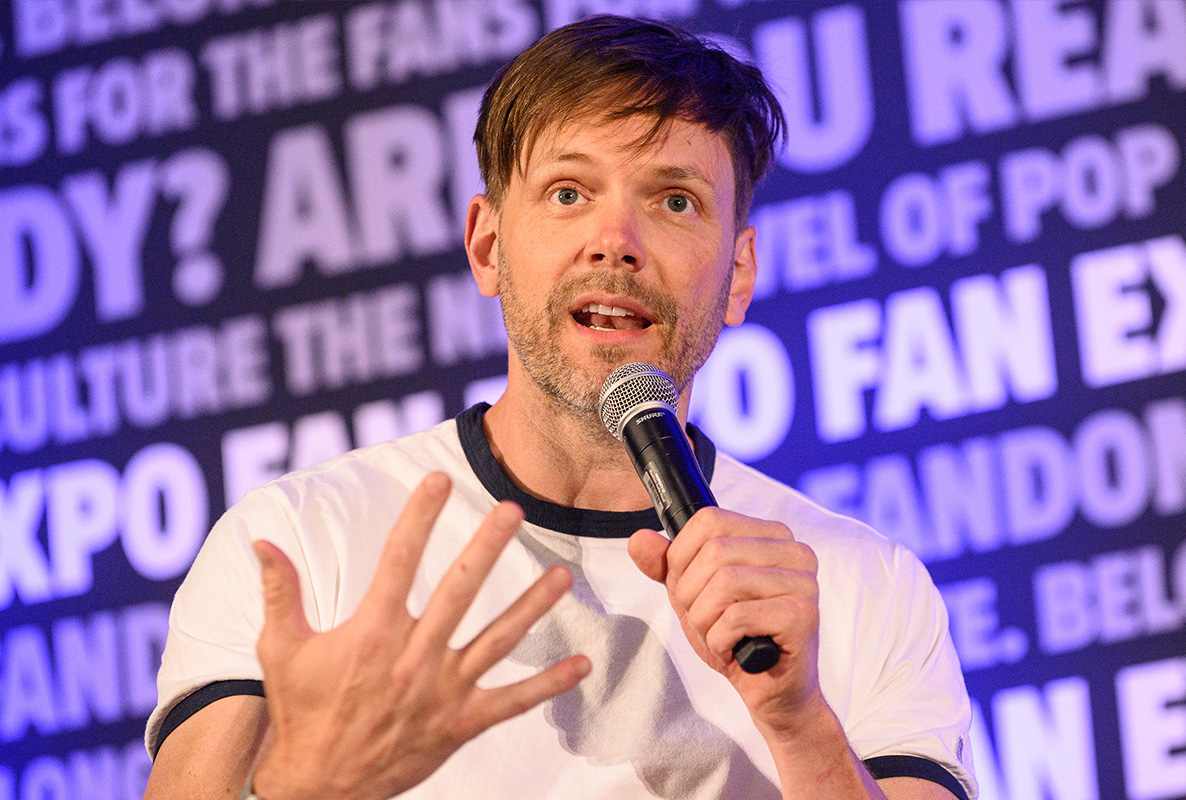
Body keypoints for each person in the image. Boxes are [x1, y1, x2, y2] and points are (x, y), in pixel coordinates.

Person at [144, 15, 977, 800]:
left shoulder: (863, 586)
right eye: (569, 193)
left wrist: (797, 724)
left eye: (674, 200)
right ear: (488, 245)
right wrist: (303, 785)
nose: (615, 240)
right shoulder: (300, 544)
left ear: (740, 273)